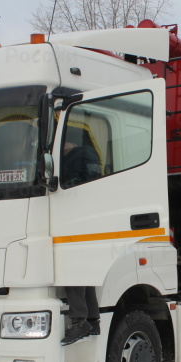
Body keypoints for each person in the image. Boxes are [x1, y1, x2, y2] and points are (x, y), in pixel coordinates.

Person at [60, 126, 104, 346]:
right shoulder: (81, 155)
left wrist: (64, 187)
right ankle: (92, 320)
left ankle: (80, 321)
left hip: (80, 217)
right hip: (85, 218)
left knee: (72, 269)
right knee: (84, 272)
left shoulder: (83, 155)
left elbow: (87, 182)